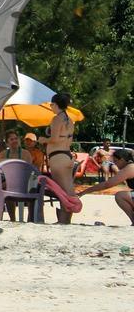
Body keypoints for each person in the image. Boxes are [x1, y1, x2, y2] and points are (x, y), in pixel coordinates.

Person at [39, 92, 76, 224]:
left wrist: (43, 139)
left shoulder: (57, 119)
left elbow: (54, 139)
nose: (50, 106)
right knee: (68, 189)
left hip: (57, 157)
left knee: (63, 192)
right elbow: (68, 141)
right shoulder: (70, 120)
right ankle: (65, 219)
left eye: (51, 104)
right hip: (67, 155)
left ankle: (64, 220)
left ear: (55, 104)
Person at [78, 148, 134, 225]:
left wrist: (84, 192)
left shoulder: (130, 168)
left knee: (120, 196)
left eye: (115, 161)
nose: (115, 164)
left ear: (122, 160)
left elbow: (107, 184)